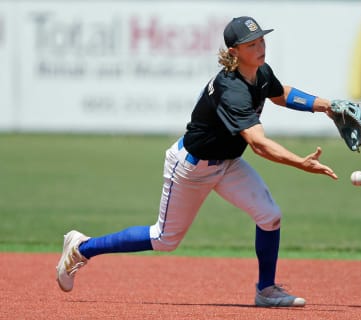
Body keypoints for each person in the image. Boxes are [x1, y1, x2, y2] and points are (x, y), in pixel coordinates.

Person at [56, 16, 338, 308]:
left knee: (270, 216)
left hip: (227, 163)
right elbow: (259, 144)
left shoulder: (260, 72)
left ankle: (266, 290)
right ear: (233, 52)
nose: (260, 47)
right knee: (165, 239)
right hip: (191, 168)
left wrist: (326, 106)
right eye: (251, 44)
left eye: (261, 40)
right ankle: (82, 248)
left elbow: (281, 95)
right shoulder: (232, 90)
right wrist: (300, 163)